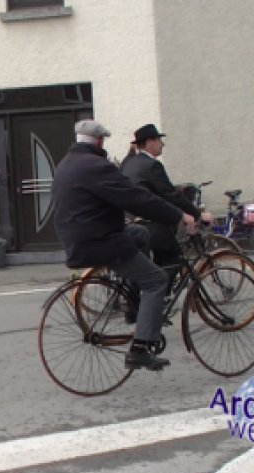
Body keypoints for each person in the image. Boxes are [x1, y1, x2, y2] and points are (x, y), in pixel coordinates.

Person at [51, 120, 195, 371]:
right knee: (157, 279)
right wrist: (178, 215)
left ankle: (133, 303)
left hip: (80, 235)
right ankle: (140, 349)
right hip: (100, 240)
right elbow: (137, 197)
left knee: (139, 233)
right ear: (99, 141)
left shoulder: (67, 164)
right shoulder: (95, 166)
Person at [120, 124, 210, 292]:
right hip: (149, 224)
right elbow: (170, 194)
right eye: (159, 140)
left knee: (148, 265)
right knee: (173, 257)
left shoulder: (130, 163)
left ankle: (137, 305)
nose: (162, 144)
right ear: (149, 142)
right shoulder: (152, 165)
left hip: (129, 221)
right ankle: (159, 299)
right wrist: (197, 215)